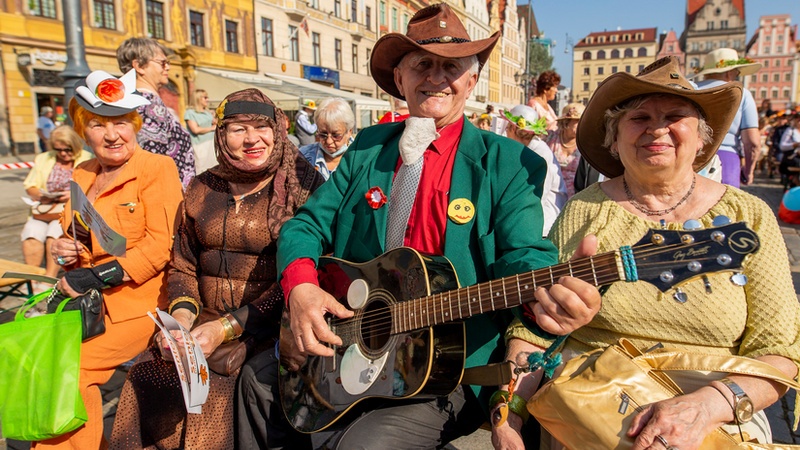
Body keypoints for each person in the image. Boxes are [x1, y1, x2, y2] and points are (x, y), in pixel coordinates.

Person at [271, 4, 601, 448]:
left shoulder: (506, 161)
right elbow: (306, 225)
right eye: (422, 64)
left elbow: (524, 253)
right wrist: (301, 288)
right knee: (257, 388)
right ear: (400, 78)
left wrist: (548, 290)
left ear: (472, 79)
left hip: (450, 364)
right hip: (358, 339)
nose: (436, 77)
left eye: (452, 66)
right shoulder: (368, 147)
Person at [497, 56, 800, 450]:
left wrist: (705, 407)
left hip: (716, 406)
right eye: (638, 118)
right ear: (614, 137)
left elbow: (779, 352)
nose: (657, 129)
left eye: (675, 116)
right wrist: (509, 413)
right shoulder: (586, 209)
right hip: (591, 402)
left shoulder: (749, 215)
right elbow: (534, 326)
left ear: (702, 137)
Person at [108, 88, 323, 449]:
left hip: (268, 325)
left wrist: (222, 330)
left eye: (261, 127)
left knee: (217, 391)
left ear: (278, 130)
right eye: (238, 129)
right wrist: (181, 321)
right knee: (149, 371)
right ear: (221, 134)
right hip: (202, 319)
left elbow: (302, 275)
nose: (251, 139)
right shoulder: (201, 186)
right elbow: (184, 265)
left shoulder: (303, 186)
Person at [44, 69, 184, 449]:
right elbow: (74, 234)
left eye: (121, 123)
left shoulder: (156, 169)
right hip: (87, 303)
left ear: (134, 124)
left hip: (139, 304)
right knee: (47, 360)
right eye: (97, 125)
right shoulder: (83, 172)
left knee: (73, 369)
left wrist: (93, 277)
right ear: (82, 131)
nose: (111, 135)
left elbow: (160, 247)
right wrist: (62, 246)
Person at [117, 37, 196, 188]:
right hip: (164, 195)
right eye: (162, 63)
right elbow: (153, 160)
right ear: (139, 66)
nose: (167, 68)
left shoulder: (137, 101)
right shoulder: (147, 105)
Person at [22, 125, 93, 283]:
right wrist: (41, 194)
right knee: (31, 233)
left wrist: (72, 194)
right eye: (58, 149)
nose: (62, 153)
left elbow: (93, 188)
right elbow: (30, 185)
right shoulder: (44, 158)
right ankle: (32, 280)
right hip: (46, 208)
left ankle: (49, 279)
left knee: (54, 233)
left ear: (75, 145)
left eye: (67, 149)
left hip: (71, 210)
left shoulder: (87, 158)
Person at [693, 47, 762, 188]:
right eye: (737, 72)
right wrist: (749, 171)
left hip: (692, 155)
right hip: (727, 159)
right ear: (730, 72)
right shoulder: (742, 94)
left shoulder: (691, 88)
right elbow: (752, 143)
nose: (737, 75)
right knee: (726, 207)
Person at [502, 105, 566, 235]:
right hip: (531, 215)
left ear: (514, 128)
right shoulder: (525, 148)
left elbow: (540, 194)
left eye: (507, 127)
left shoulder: (541, 152)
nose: (505, 131)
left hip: (545, 222)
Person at [298, 97, 355, 180]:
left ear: (349, 131)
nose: (329, 141)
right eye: (323, 134)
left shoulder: (361, 158)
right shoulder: (302, 156)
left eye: (336, 135)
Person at [546, 102, 585, 199]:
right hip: (550, 191)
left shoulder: (585, 143)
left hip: (576, 194)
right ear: (567, 122)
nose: (582, 124)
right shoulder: (549, 137)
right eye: (578, 121)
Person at [184, 88, 217, 174]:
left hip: (212, 143)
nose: (207, 99)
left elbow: (213, 123)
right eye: (205, 97)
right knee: (202, 169)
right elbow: (195, 129)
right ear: (198, 98)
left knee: (214, 166)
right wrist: (211, 128)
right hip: (201, 145)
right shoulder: (190, 113)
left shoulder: (207, 112)